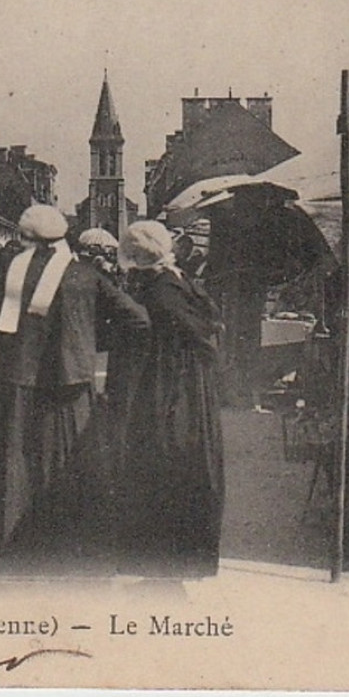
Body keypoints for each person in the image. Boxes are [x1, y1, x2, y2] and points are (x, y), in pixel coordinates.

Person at [0, 204, 149, 577]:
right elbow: (138, 319)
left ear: (24, 237)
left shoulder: (8, 272)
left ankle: (9, 555)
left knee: (12, 468)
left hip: (16, 386)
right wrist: (90, 340)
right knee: (69, 467)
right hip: (69, 389)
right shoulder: (84, 274)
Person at [109, 220, 226, 579]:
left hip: (169, 386)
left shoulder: (160, 291)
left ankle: (163, 557)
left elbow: (196, 334)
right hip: (187, 383)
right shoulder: (176, 280)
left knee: (164, 460)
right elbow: (210, 326)